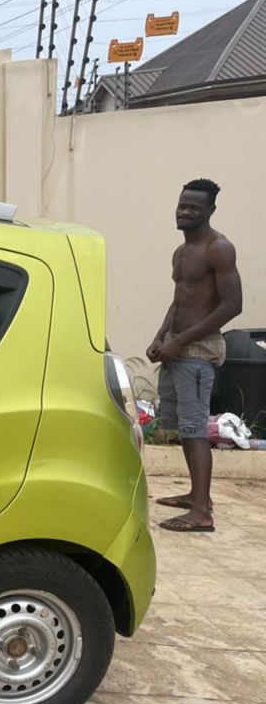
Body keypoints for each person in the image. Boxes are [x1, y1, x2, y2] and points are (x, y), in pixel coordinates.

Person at [147, 178, 243, 533]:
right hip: (177, 347)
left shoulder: (219, 249)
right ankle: (196, 496)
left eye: (194, 208)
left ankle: (202, 512)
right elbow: (179, 298)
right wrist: (161, 337)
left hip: (198, 352)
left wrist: (181, 341)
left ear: (210, 211)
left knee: (195, 429)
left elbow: (233, 305)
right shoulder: (182, 251)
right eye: (182, 205)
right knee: (184, 430)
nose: (185, 212)